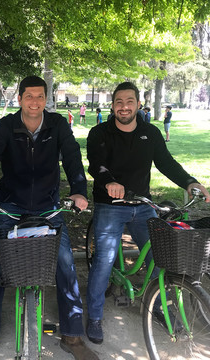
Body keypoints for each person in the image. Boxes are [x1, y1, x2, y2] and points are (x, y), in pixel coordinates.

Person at [0, 76, 99, 360]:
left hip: (48, 205)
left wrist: (79, 191)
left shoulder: (57, 125)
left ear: (46, 99)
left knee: (66, 266)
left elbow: (73, 157)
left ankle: (72, 337)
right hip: (10, 205)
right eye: (29, 96)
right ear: (19, 99)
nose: (35, 102)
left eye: (40, 96)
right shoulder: (6, 126)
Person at [85, 81, 210, 345]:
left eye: (129, 101)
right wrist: (109, 182)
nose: (124, 107)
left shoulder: (150, 133)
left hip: (143, 206)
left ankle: (160, 305)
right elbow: (96, 164)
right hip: (111, 205)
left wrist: (189, 182)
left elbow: (166, 163)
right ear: (113, 105)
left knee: (159, 257)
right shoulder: (100, 132)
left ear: (139, 104)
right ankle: (94, 316)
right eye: (119, 102)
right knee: (104, 261)